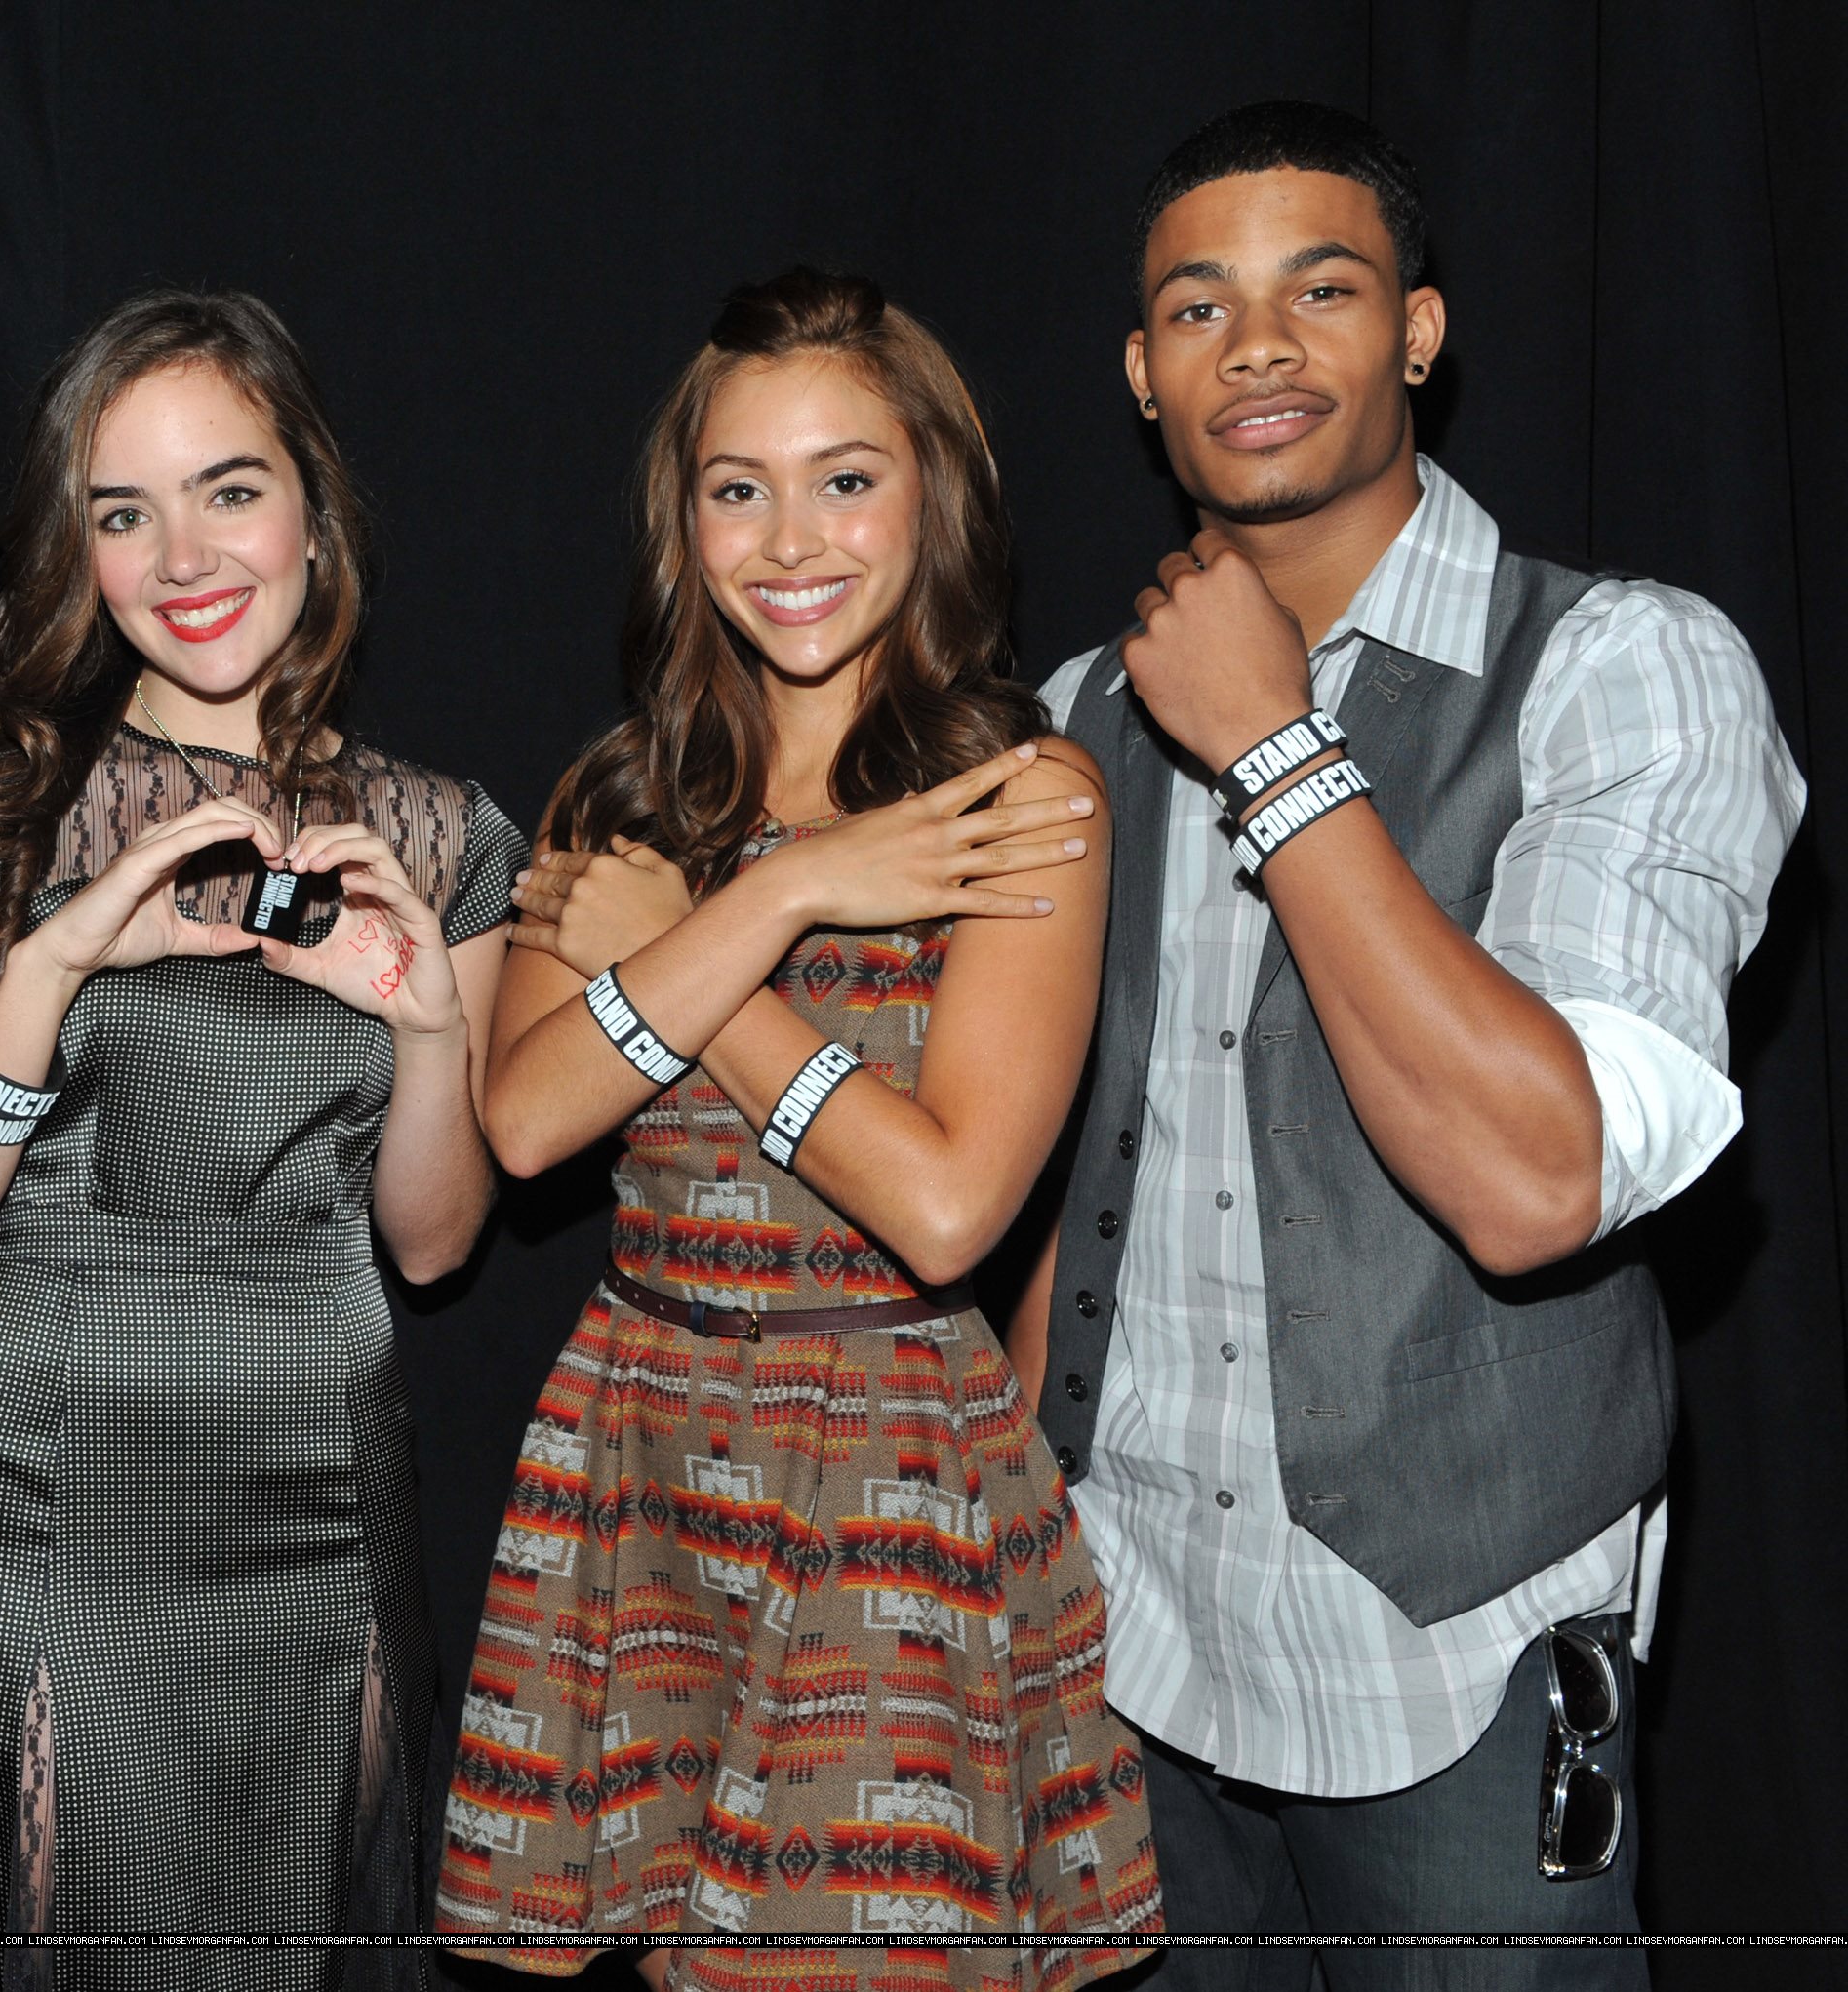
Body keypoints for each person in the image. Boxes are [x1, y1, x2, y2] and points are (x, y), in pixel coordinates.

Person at [1017, 101, 1805, 1979]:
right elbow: (1079, 1155)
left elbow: (1538, 1181)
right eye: (1198, 308)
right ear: (1141, 374)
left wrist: (1277, 750)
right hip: (1123, 1635)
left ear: (1419, 332)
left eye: (1323, 289)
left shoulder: (1627, 664)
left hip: (1453, 1658)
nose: (1257, 345)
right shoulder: (1076, 711)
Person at [434, 268, 1159, 1986]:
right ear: (683, 524)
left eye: (846, 478)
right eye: (738, 487)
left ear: (934, 494)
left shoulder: (1021, 798)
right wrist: (783, 894)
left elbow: (948, 1203)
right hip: (637, 1443)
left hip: (882, 1459)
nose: (790, 538)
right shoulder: (623, 793)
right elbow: (524, 1121)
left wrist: (708, 941)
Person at [0, 287, 523, 1975]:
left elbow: (435, 1242)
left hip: (324, 1506)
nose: (185, 554)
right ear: (77, 551)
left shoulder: (442, 833)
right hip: (44, 1500)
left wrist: (430, 1026)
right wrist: (48, 966)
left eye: (229, 489)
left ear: (314, 513)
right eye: (122, 511)